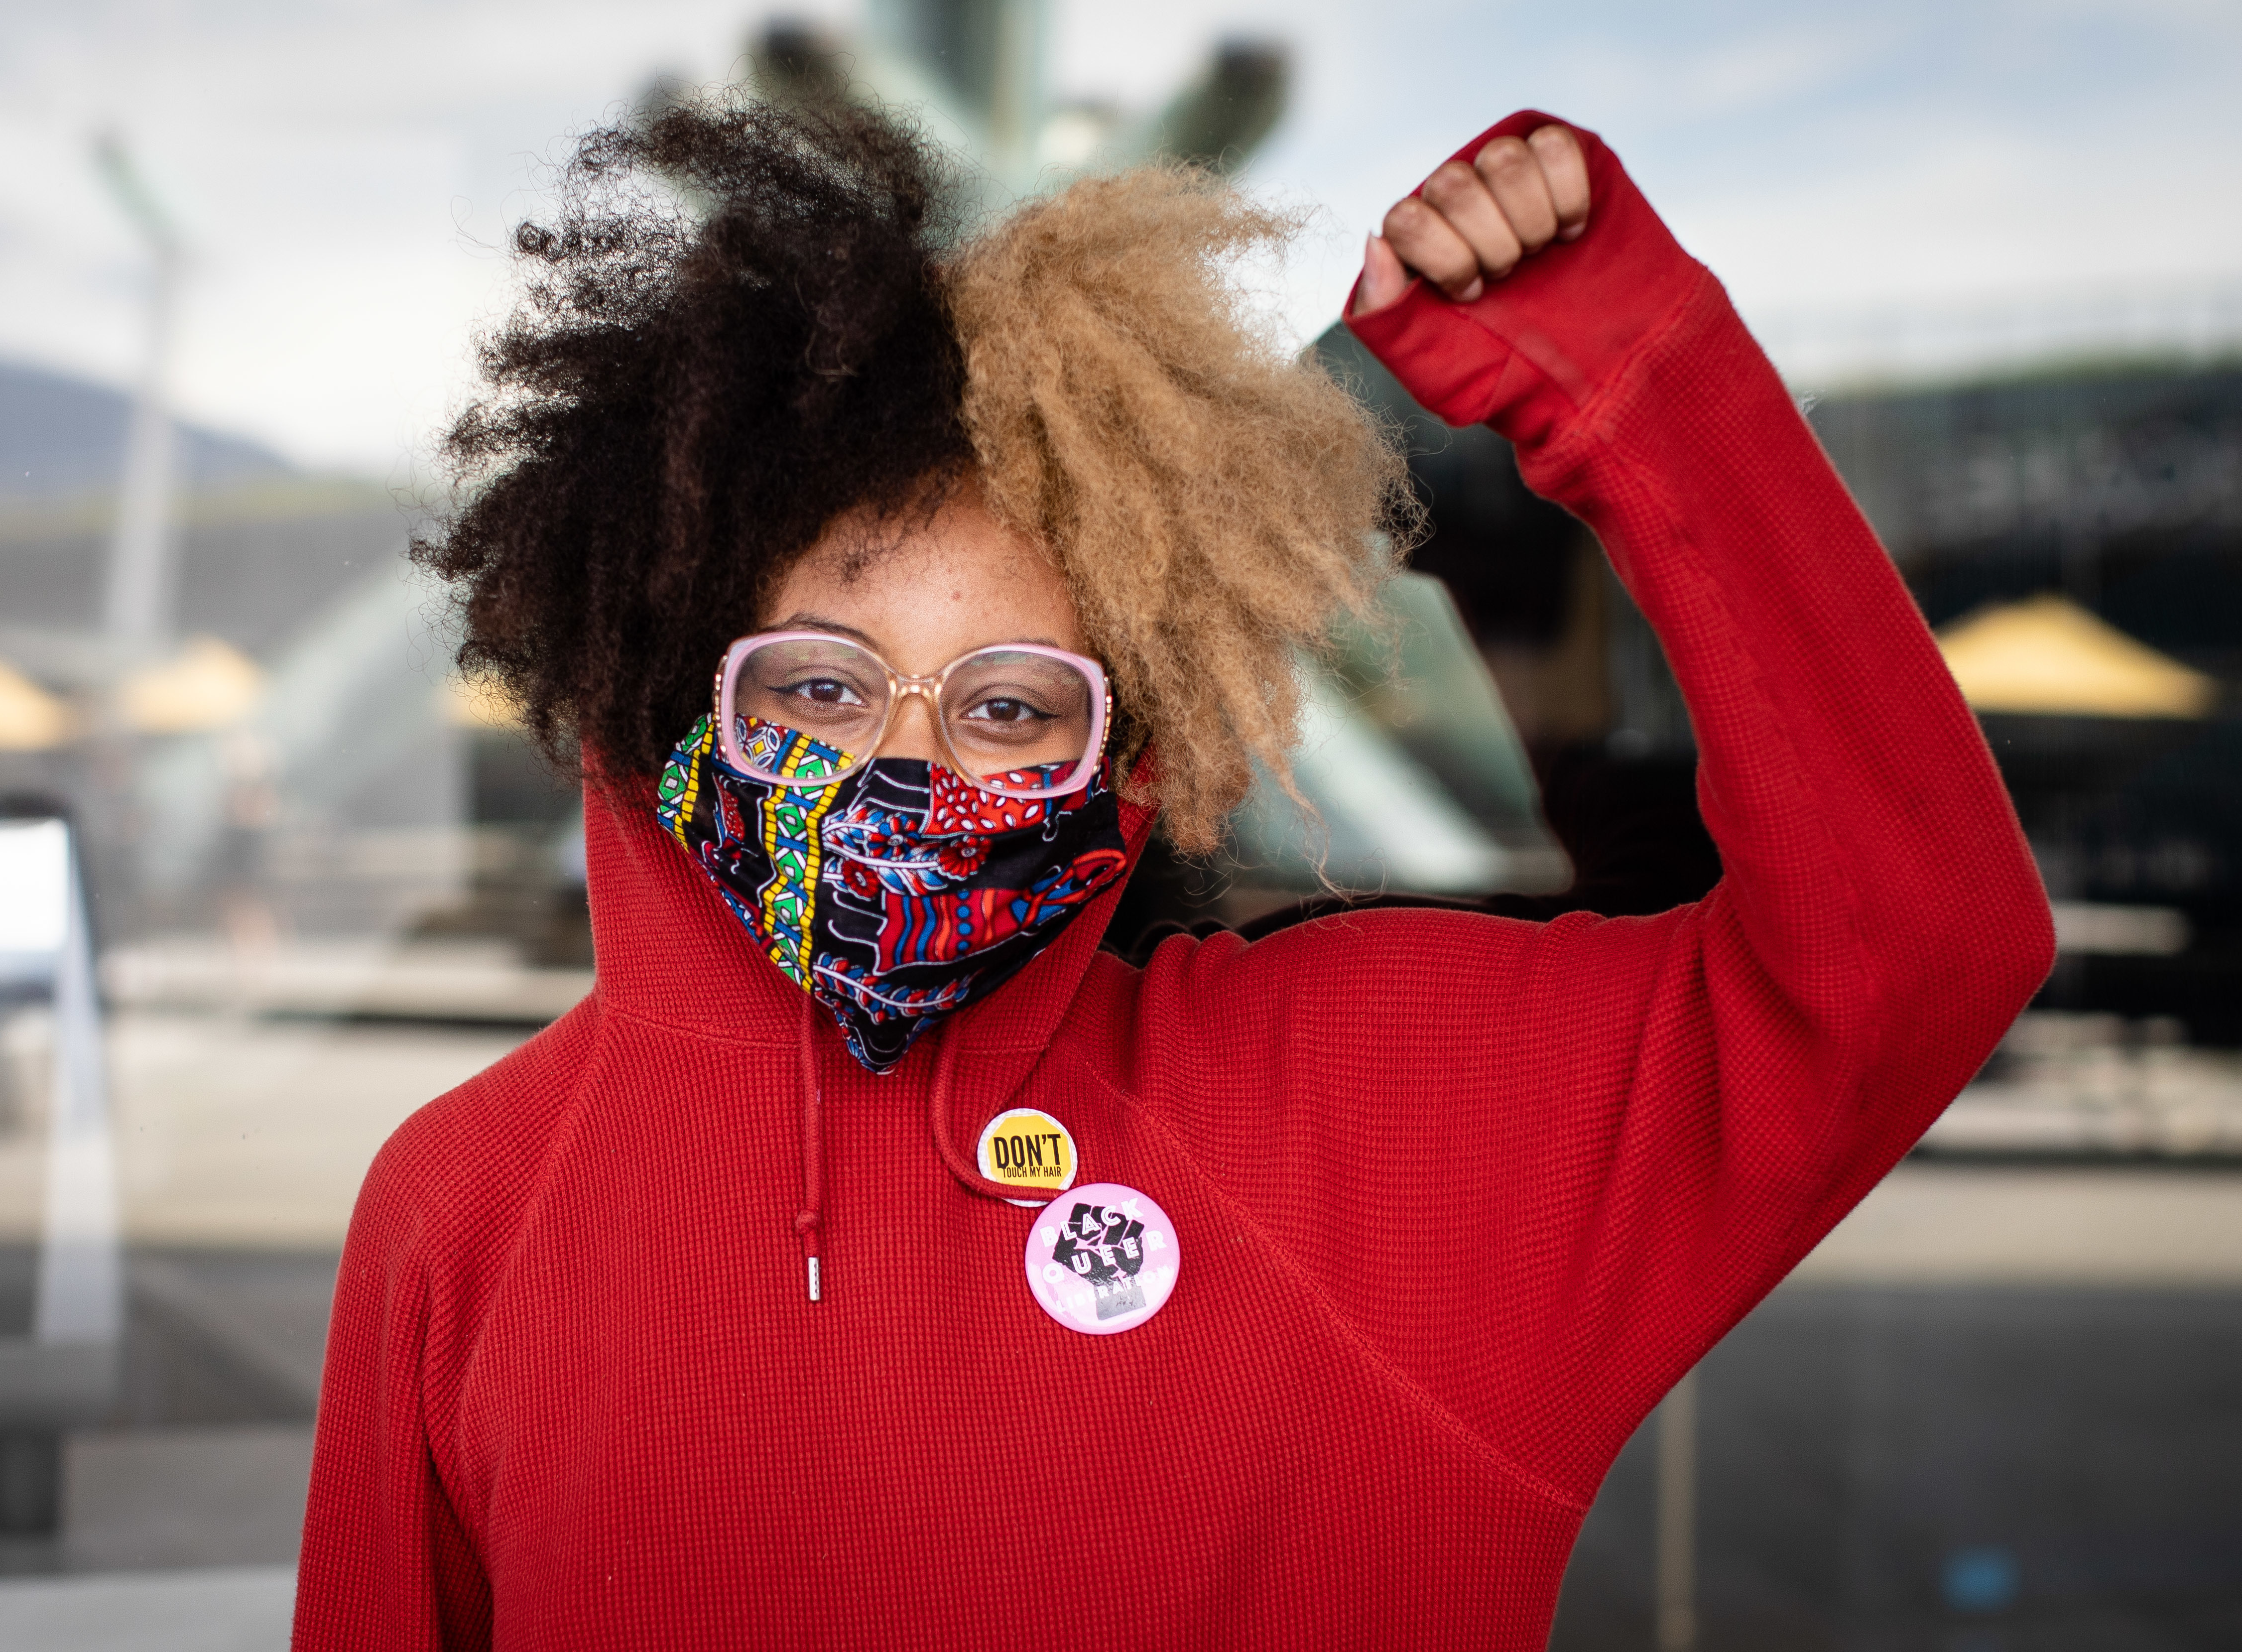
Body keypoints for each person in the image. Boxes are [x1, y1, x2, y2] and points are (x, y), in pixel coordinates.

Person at [294, 97, 2053, 1650]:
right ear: (674, 682)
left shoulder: (1378, 1122)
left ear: (1128, 751)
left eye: (1010, 704)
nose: (908, 762)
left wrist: (1630, 382)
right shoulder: (465, 1212)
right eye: (821, 685)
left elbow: (1915, 949)